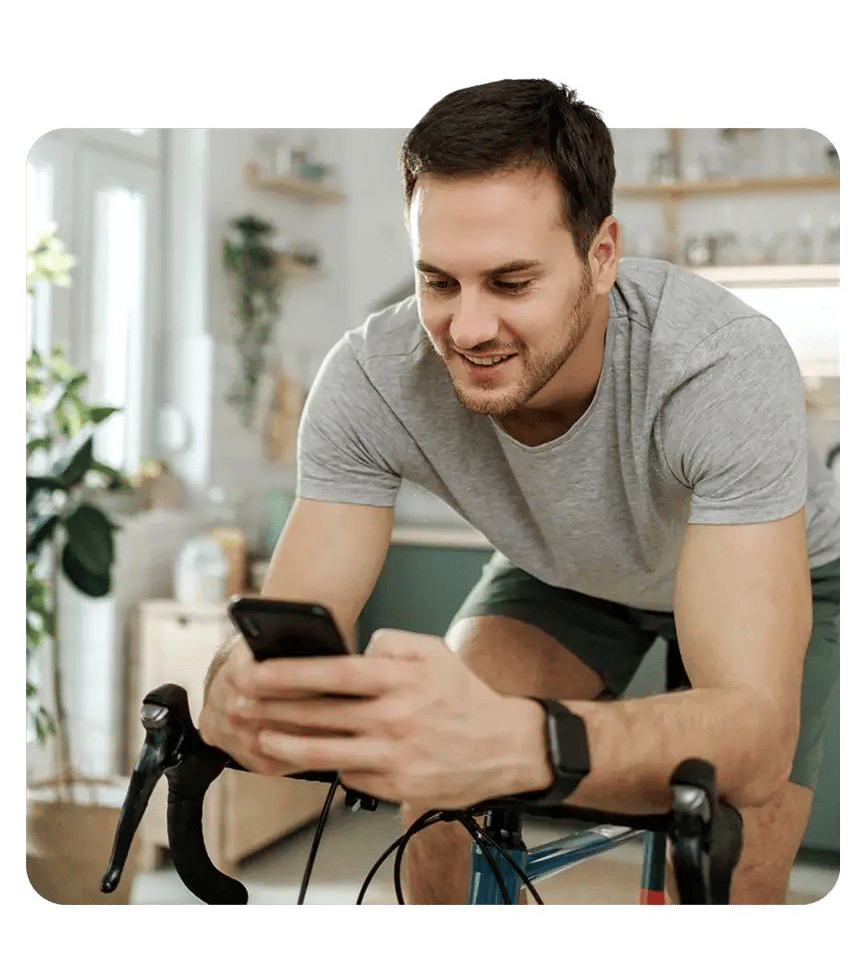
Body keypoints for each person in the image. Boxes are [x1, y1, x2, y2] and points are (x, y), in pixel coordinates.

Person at [199, 81, 840, 905]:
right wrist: (236, 685)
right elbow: (288, 621)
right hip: (566, 572)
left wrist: (527, 741)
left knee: (732, 850)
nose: (467, 330)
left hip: (785, 572)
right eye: (439, 282)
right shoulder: (369, 378)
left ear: (602, 255)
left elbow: (752, 741)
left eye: (510, 283)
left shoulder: (718, 364)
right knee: (436, 794)